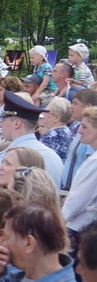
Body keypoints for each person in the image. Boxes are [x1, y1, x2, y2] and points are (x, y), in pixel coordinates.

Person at [0, 91, 63, 189]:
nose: (0, 124)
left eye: (4, 120)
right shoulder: (53, 157)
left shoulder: (7, 156)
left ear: (17, 123)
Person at [61, 107, 97, 250]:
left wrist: (58, 225)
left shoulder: (95, 162)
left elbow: (77, 201)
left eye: (84, 127)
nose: (79, 131)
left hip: (80, 229)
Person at [37, 97, 72, 162]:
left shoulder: (51, 137)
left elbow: (39, 160)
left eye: (46, 112)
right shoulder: (66, 131)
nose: (43, 114)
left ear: (56, 118)